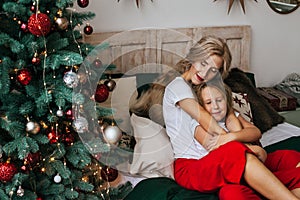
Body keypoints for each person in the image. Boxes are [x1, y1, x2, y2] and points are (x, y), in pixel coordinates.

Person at [162, 35, 300, 200]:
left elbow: (236, 122)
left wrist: (242, 142)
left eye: (213, 70)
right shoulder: (178, 86)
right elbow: (206, 121)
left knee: (287, 157)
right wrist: (246, 148)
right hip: (194, 165)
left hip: (219, 160)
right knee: (235, 152)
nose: (204, 73)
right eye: (203, 63)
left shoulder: (208, 91)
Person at [195, 81, 300, 199]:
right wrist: (250, 149)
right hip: (233, 177)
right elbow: (217, 151)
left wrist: (232, 136)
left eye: (220, 100)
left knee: (289, 156)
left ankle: (273, 190)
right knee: (232, 194)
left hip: (258, 163)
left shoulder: (233, 116)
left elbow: (255, 132)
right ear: (201, 107)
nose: (215, 106)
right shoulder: (200, 124)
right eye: (208, 102)